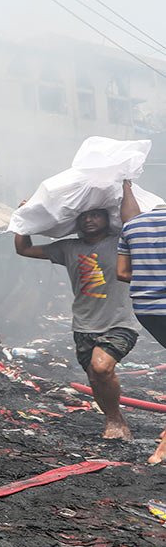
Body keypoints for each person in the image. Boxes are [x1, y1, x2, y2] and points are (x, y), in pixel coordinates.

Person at [15, 206, 136, 442]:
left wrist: (126, 185)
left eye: (95, 215)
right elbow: (24, 249)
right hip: (83, 324)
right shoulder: (68, 248)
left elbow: (133, 222)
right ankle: (115, 418)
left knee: (102, 367)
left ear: (107, 218)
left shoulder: (119, 243)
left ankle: (113, 419)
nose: (89, 220)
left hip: (119, 322)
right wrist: (24, 217)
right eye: (84, 216)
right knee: (94, 377)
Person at [115, 180, 166, 463]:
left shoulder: (133, 226)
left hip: (146, 310)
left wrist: (152, 277)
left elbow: (122, 273)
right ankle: (163, 450)